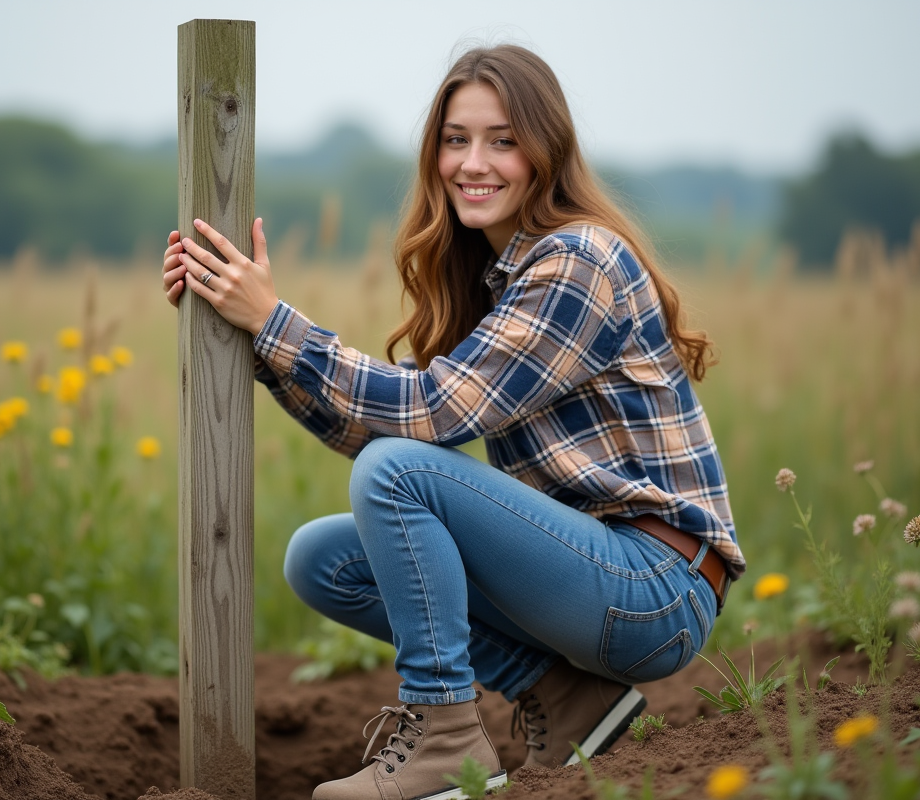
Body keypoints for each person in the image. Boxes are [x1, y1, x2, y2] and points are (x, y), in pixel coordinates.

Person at [162, 43, 744, 800]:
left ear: (547, 152)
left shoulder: (579, 262)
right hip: (583, 576)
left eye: (504, 140)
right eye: (456, 139)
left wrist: (276, 322)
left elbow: (427, 418)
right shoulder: (499, 276)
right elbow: (384, 430)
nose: (475, 162)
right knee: (325, 559)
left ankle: (443, 733)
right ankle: (571, 702)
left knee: (396, 473)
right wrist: (255, 344)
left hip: (654, 587)